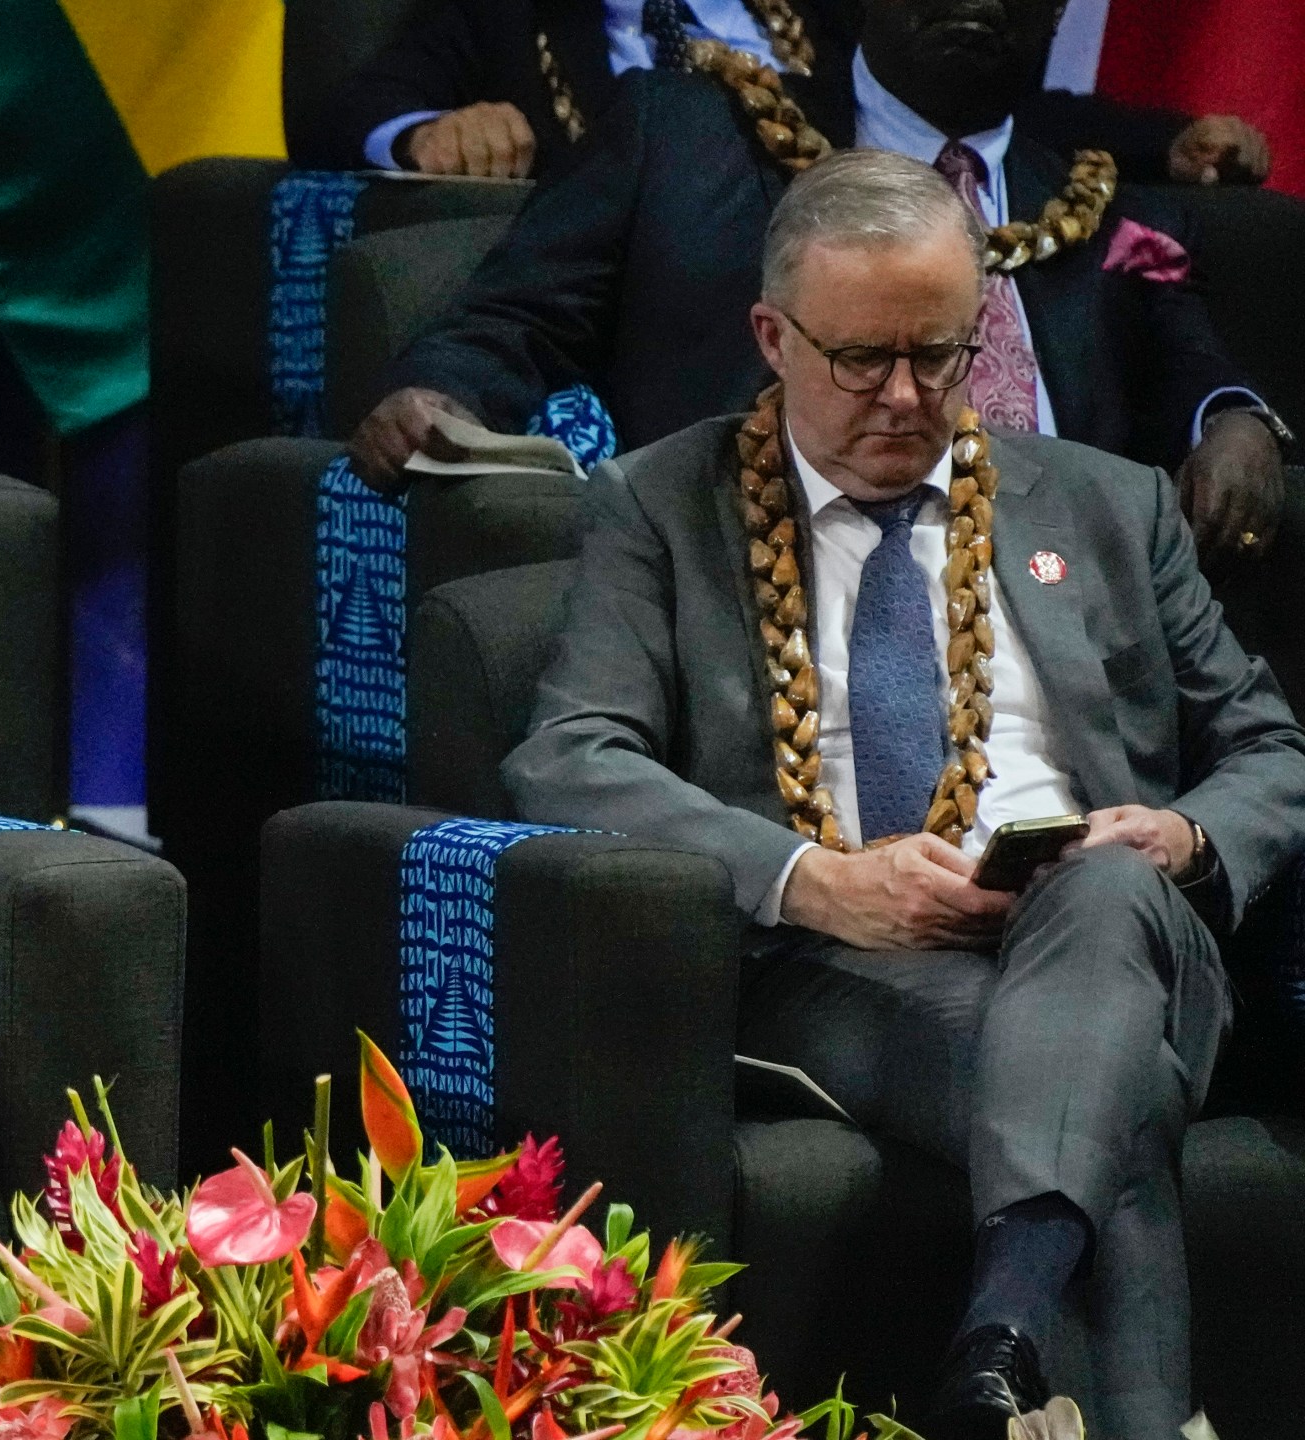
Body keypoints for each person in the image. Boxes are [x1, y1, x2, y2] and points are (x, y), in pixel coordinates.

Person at [502, 148, 1305, 1439]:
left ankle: (997, 1340)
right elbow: (568, 754)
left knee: (1103, 890)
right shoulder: (658, 505)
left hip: (1116, 929)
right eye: (859, 359)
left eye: (939, 354)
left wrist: (1184, 832)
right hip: (838, 958)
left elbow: (1273, 751)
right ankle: (1040, 1358)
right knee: (1119, 1088)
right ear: (772, 336)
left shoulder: (1109, 504)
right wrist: (815, 880)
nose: (906, 396)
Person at [347, 0, 1291, 574]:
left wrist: (1237, 420)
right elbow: (516, 316)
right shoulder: (682, 140)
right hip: (763, 594)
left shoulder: (1107, 207)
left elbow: (1191, 359)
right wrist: (441, 393)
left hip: (1065, 618)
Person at [297, 0, 1272, 184]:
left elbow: (958, 95)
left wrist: (1161, 145)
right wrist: (429, 135)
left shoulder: (819, 8)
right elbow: (350, 108)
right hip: (658, 293)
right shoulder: (510, 16)